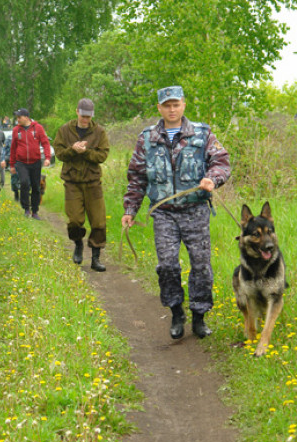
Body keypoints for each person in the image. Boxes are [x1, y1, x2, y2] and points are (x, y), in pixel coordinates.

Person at [122, 85, 231, 340]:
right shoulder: (147, 138)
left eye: (176, 104)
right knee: (168, 265)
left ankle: (199, 316)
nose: (172, 109)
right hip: (163, 213)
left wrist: (212, 178)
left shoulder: (202, 134)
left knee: (201, 265)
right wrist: (130, 209)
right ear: (159, 108)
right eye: (166, 105)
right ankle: (176, 313)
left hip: (195, 210)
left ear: (183, 105)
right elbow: (136, 177)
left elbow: (221, 162)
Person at [53, 98, 110, 272]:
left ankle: (95, 258)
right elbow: (59, 153)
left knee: (99, 222)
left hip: (93, 182)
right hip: (72, 182)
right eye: (83, 116)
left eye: (89, 116)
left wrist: (85, 153)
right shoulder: (64, 130)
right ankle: (78, 244)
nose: (85, 120)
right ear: (77, 112)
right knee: (75, 221)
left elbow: (102, 156)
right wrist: (73, 150)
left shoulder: (99, 132)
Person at [9, 108, 51, 219]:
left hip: (35, 162)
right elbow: (13, 148)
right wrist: (12, 165)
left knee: (36, 186)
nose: (17, 119)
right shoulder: (16, 130)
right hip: (21, 162)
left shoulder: (38, 128)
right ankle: (26, 208)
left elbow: (45, 143)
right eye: (17, 117)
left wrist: (47, 157)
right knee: (24, 182)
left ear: (26, 117)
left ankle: (35, 211)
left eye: (19, 117)